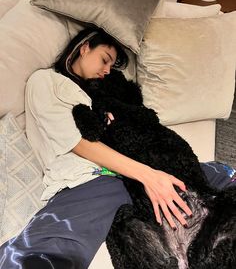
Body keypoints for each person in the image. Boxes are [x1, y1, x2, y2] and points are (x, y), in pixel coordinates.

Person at [0, 27, 235, 269]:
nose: (106, 70)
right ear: (84, 47)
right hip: (91, 178)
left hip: (129, 174)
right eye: (104, 60)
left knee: (220, 175)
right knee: (51, 251)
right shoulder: (46, 81)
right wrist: (150, 176)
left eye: (110, 66)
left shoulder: (94, 93)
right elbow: (78, 143)